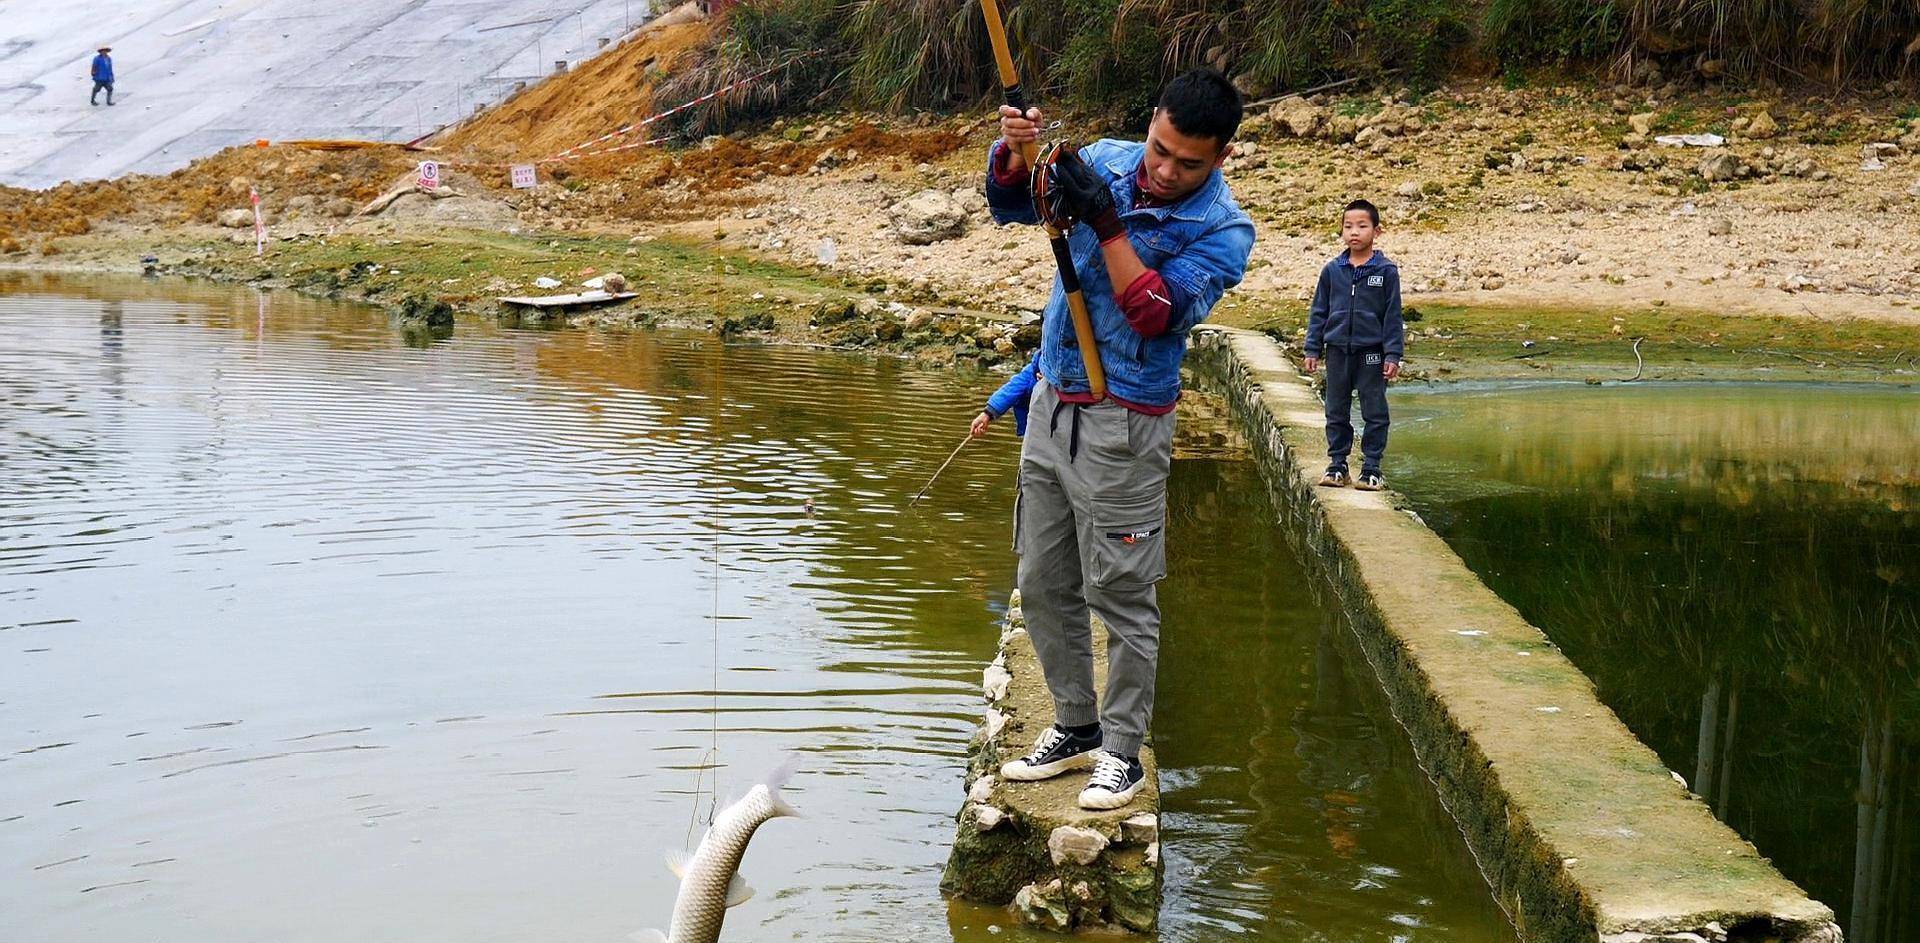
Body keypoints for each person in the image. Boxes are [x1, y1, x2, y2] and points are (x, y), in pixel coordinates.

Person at [982, 68, 1255, 810]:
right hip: (1054, 399)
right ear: (1152, 122)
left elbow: (1155, 312)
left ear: (1220, 157)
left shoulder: (1223, 229)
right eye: (1159, 149)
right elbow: (1012, 205)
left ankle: (1123, 752)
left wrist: (1106, 225)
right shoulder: (1103, 157)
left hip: (1127, 417)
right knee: (1043, 579)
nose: (1163, 171)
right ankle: (1074, 724)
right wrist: (1018, 153)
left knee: (1123, 593)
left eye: (1186, 162)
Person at [1302, 199, 1404, 492]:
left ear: (1377, 231)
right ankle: (1337, 464)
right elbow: (1319, 311)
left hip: (1372, 353)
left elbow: (1392, 316)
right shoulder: (1332, 271)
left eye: (1362, 226)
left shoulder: (1385, 271)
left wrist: (1393, 354)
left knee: (1374, 410)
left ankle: (1372, 467)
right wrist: (1312, 348)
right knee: (1336, 409)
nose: (1354, 232)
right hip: (1337, 351)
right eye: (1348, 226)